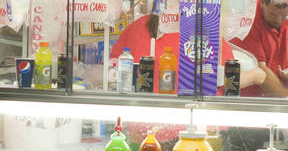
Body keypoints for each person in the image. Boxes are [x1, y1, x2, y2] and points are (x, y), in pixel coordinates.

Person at [109, 11, 266, 91]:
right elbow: (225, 79)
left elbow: (112, 74)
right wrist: (256, 75)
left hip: (143, 126)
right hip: (197, 128)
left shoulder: (137, 27)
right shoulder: (204, 28)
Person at [232, 0, 288, 97]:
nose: (278, 20)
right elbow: (260, 69)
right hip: (252, 99)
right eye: (272, 14)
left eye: (284, 16)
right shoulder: (249, 22)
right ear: (262, 4)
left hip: (283, 95)